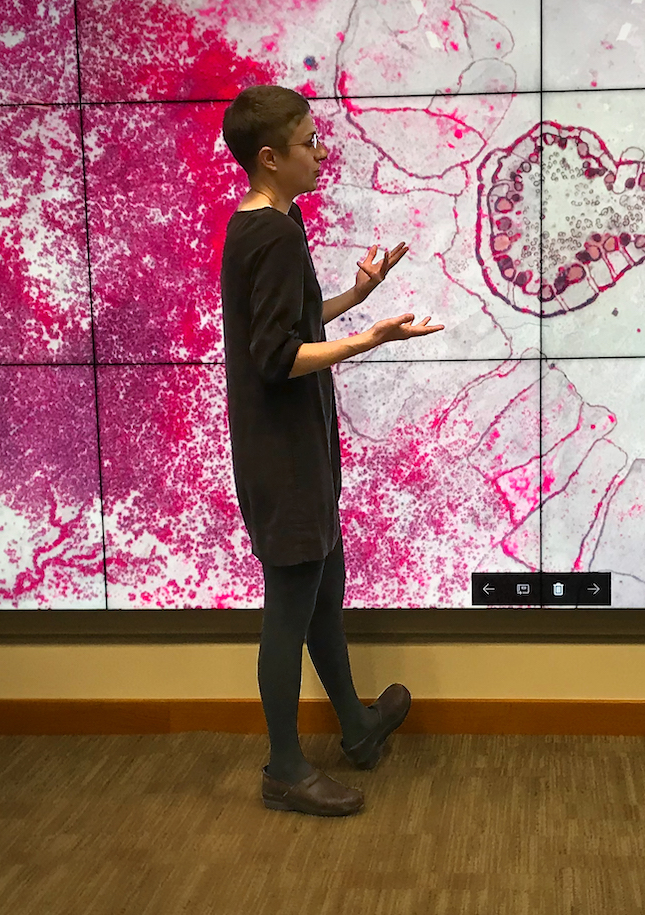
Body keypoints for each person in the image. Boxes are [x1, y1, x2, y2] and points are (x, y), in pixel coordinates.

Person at [219, 84, 444, 816]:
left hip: (292, 452)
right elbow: (278, 358)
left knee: (322, 597)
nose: (321, 151)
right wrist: (369, 338)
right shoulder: (273, 235)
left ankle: (356, 729)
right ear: (269, 157)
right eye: (309, 141)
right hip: (285, 458)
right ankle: (285, 768)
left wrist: (352, 297)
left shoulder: (266, 225)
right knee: (291, 607)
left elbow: (289, 323)